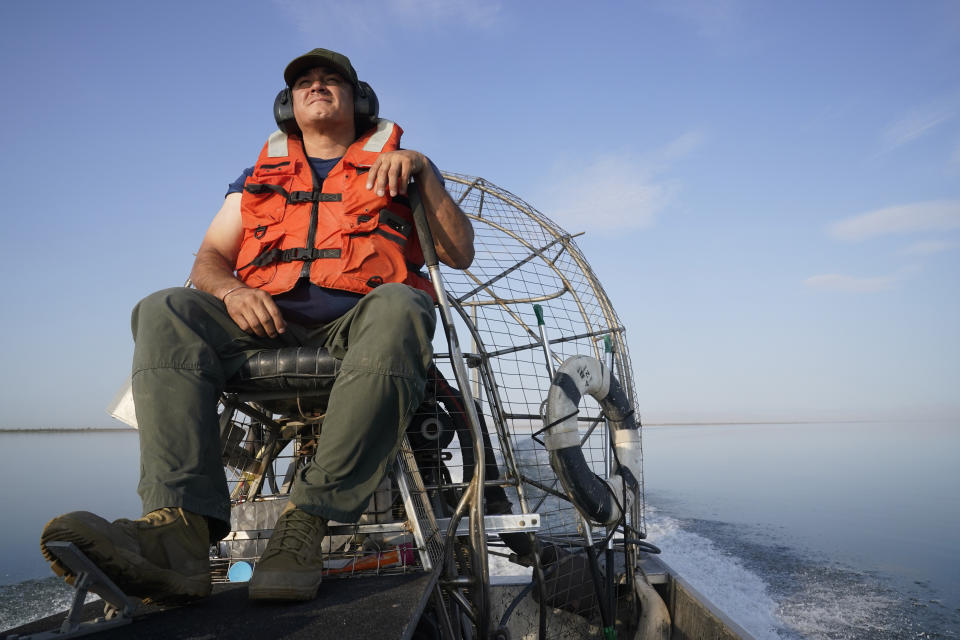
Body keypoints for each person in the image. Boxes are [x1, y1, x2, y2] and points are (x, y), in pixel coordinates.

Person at [40, 48, 474, 603]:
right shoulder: (256, 180)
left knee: (404, 306)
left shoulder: (401, 167)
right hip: (264, 328)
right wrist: (232, 289)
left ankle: (307, 522)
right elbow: (208, 259)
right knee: (165, 308)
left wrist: (424, 170)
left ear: (359, 99)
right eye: (304, 83)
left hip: (360, 329)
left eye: (331, 80)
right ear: (286, 104)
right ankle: (181, 534)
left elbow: (459, 252)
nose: (317, 87)